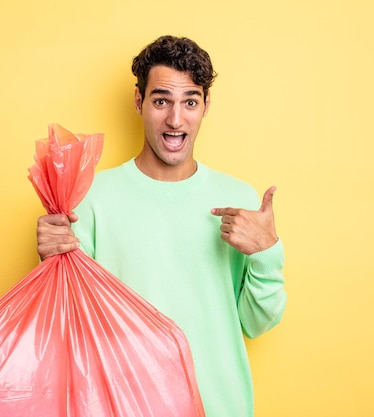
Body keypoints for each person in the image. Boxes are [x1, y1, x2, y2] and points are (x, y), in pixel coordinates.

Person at [36, 35, 286, 417]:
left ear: (205, 106)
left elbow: (255, 324)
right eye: (161, 101)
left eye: (190, 101)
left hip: (220, 405)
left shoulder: (237, 198)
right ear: (139, 102)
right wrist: (50, 262)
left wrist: (268, 254)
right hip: (123, 406)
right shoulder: (91, 199)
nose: (175, 118)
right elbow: (67, 326)